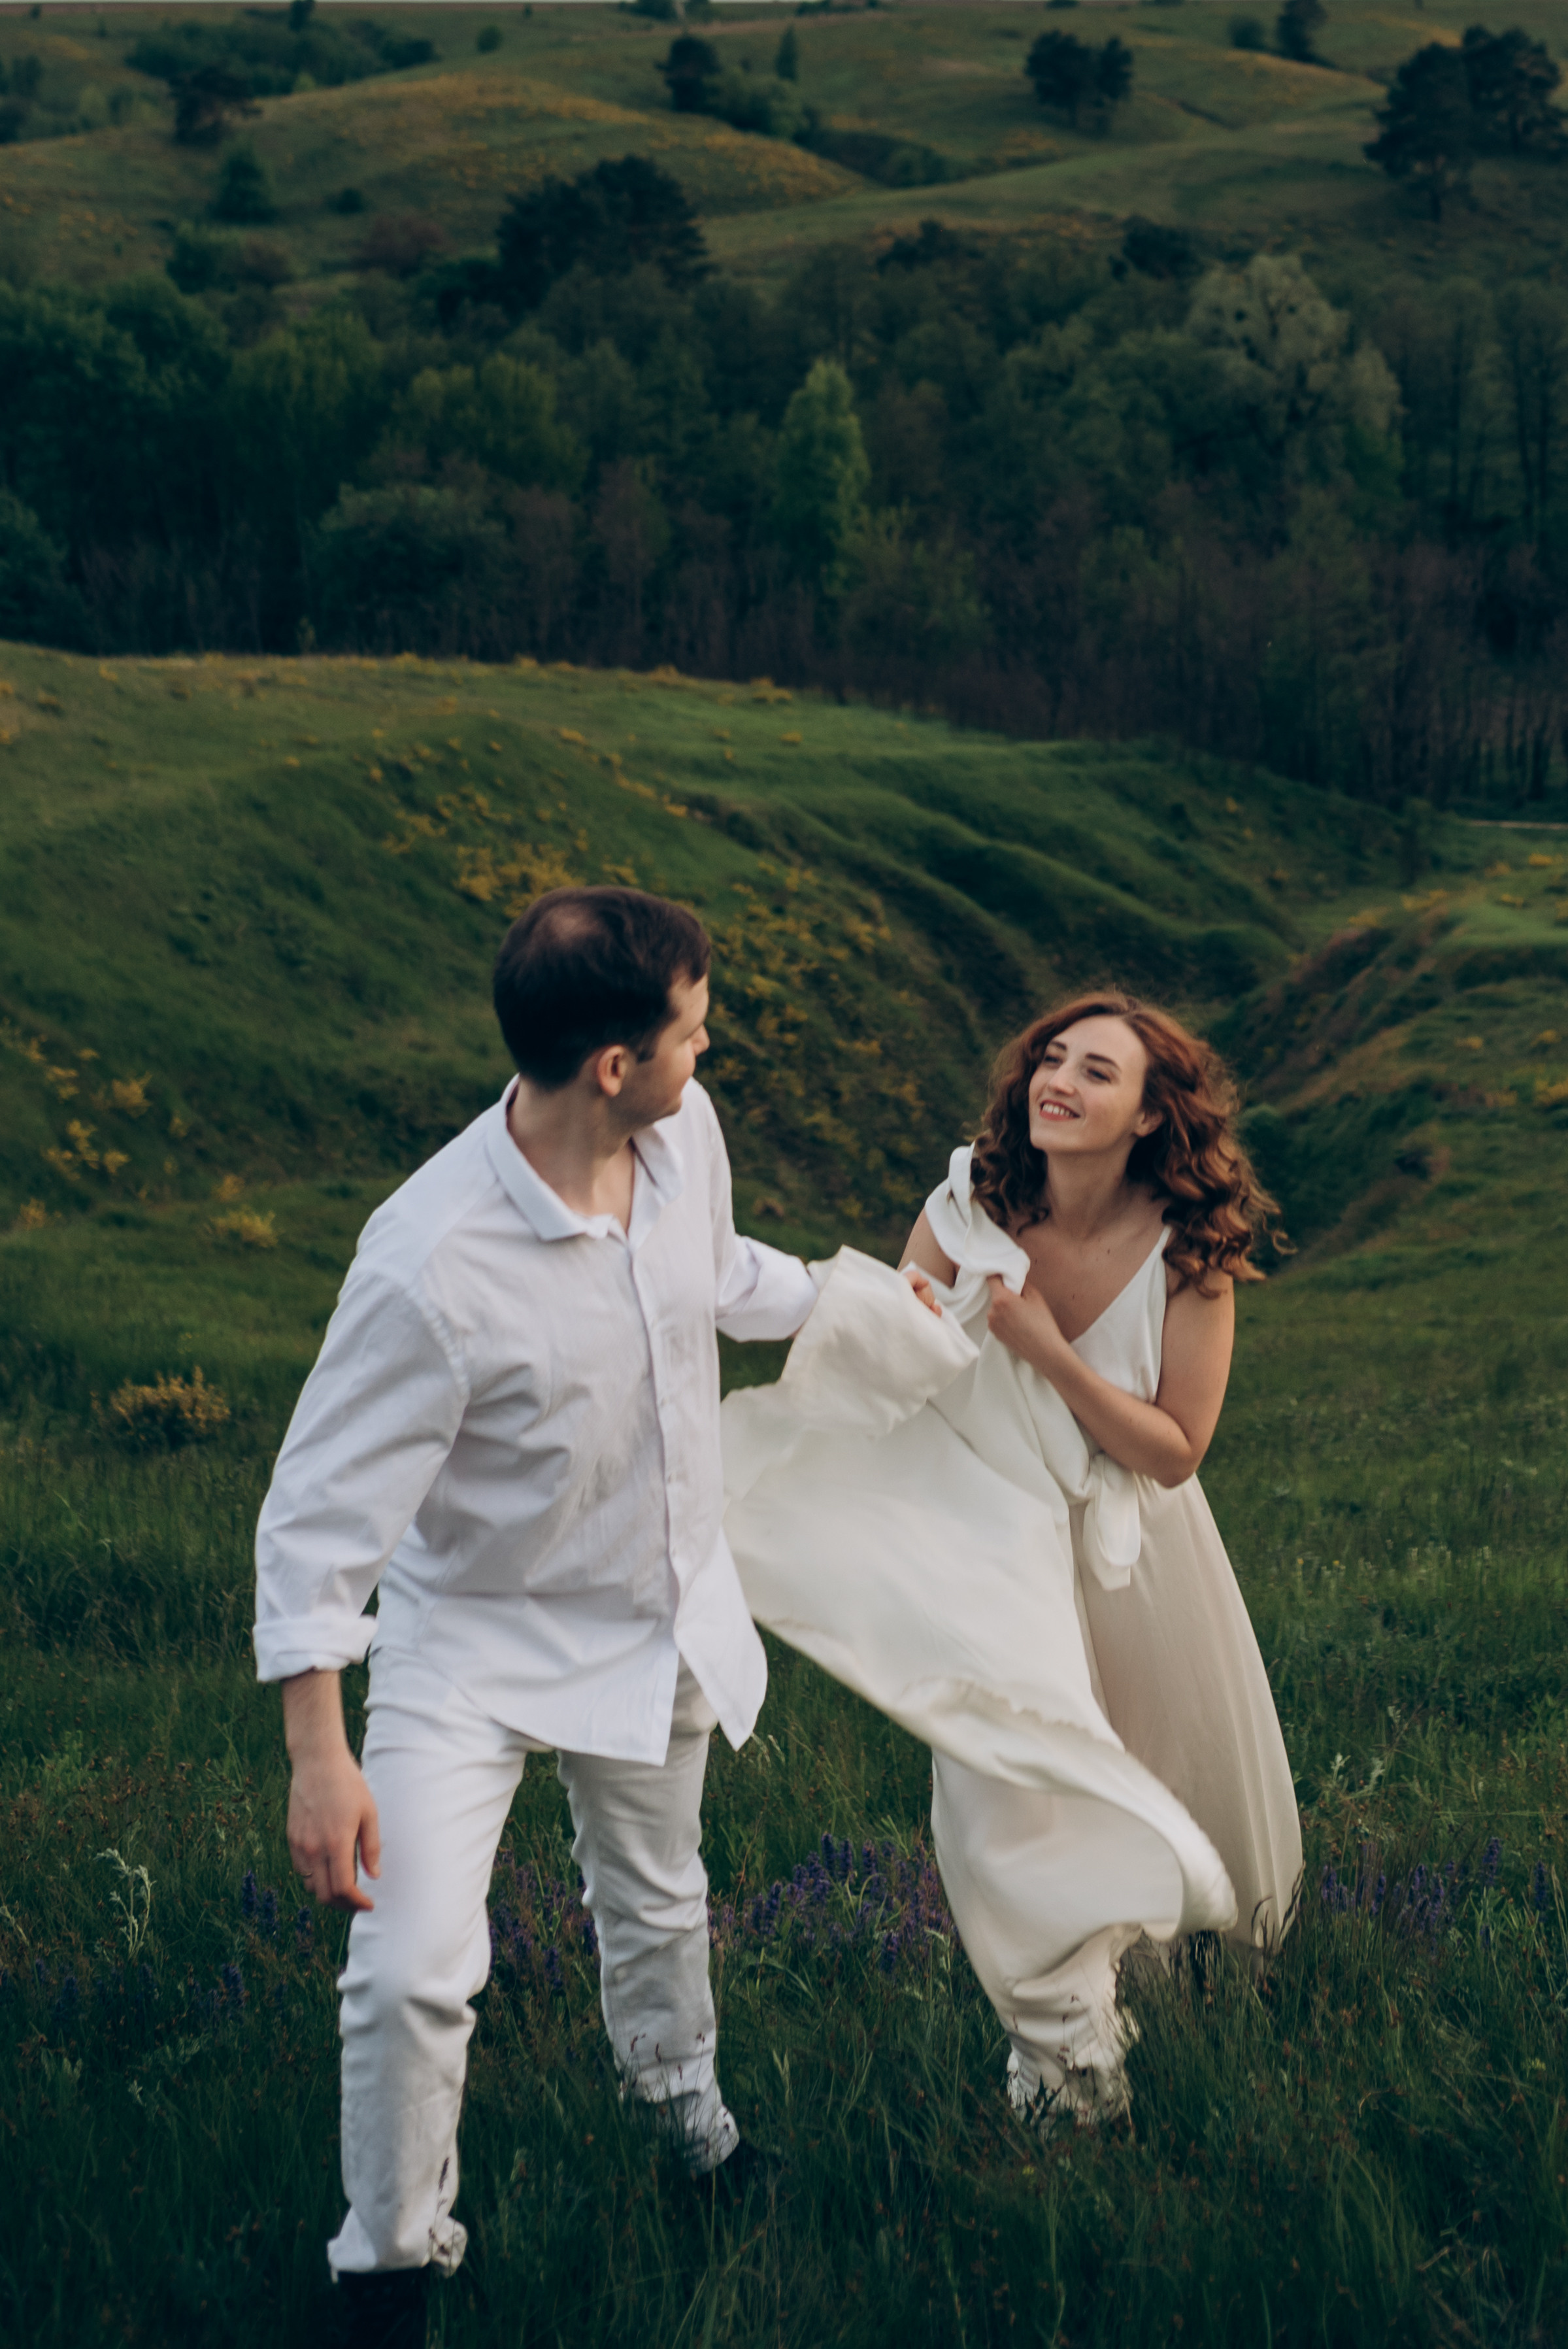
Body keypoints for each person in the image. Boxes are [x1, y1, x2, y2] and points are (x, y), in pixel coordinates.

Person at [253, 887, 820, 2347]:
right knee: (410, 1970)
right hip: (475, 1650)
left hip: (658, 1610)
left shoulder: (680, 1141)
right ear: (612, 1067)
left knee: (658, 1901)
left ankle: (693, 2134)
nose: (714, 1053)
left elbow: (715, 1280)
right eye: (694, 1031)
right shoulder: (430, 1264)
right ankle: (386, 2271)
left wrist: (859, 1309)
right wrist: (323, 1758)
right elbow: (318, 1520)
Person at [722, 992, 1300, 2129]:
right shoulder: (971, 1202)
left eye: (1097, 1071)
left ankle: (1190, 2021)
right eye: (1051, 1057)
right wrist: (910, 1323)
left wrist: (1047, 1354)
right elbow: (901, 1355)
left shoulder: (1191, 1255)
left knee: (1160, 1764)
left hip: (1136, 1548)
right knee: (1011, 1795)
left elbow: (1178, 1451)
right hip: (991, 1545)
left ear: (1148, 1117)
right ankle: (1066, 2068)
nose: (1060, 1080)